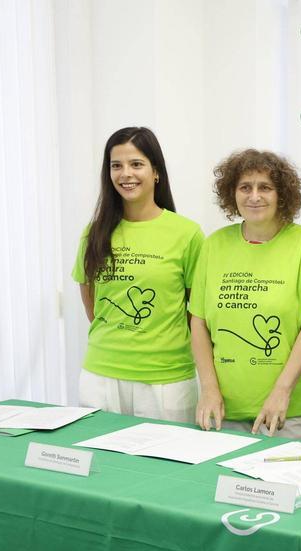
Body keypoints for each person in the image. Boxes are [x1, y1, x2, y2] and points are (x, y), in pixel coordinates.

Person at [189, 149, 301, 440]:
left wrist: (281, 392)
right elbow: (198, 323)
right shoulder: (214, 245)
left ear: (282, 194)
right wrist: (208, 389)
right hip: (223, 408)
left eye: (265, 187)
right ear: (232, 194)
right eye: (245, 187)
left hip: (287, 410)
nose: (254, 196)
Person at [72, 127, 204, 422]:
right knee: (102, 466)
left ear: (156, 171)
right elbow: (92, 303)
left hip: (166, 380)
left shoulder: (187, 233)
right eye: (116, 165)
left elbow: (197, 313)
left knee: (164, 467)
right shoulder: (94, 233)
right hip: (100, 376)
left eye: (136, 164)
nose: (125, 174)